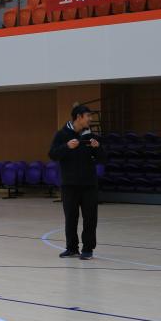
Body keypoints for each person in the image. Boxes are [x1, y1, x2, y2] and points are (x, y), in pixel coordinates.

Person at [49, 104, 106, 261]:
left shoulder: (91, 136)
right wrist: (67, 146)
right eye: (88, 116)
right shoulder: (62, 135)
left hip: (89, 185)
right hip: (69, 184)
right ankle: (72, 248)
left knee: (90, 218)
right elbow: (52, 154)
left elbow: (103, 158)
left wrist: (98, 147)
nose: (90, 119)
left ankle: (88, 249)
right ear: (79, 117)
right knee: (71, 218)